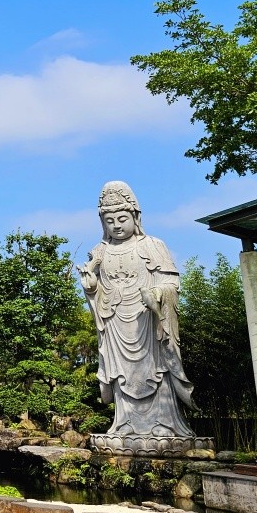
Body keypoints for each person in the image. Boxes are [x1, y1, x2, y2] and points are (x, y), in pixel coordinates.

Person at [79, 182, 195, 441]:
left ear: (135, 217)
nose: (116, 225)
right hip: (115, 323)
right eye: (109, 221)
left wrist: (157, 295)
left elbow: (172, 283)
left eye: (122, 218)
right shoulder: (100, 252)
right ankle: (124, 424)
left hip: (149, 322)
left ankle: (165, 425)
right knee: (121, 375)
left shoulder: (153, 245)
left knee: (157, 370)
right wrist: (91, 287)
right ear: (103, 224)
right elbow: (97, 290)